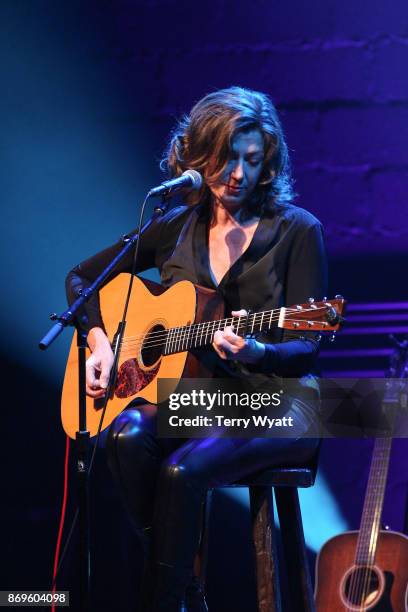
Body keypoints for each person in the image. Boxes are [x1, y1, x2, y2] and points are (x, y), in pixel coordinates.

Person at [66, 86, 328, 611]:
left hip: (276, 402)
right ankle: (185, 592)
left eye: (252, 161)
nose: (237, 174)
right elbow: (80, 281)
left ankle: (165, 602)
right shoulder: (175, 227)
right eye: (225, 159)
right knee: (126, 434)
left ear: (267, 161)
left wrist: (258, 351)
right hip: (196, 401)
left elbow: (307, 346)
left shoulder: (297, 230)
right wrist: (98, 343)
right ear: (196, 156)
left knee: (182, 472)